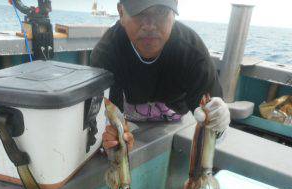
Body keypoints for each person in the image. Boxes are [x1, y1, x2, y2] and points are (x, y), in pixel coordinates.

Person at [90, 0, 230, 150]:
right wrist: (110, 139)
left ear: (174, 13)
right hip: (126, 116)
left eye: (161, 12)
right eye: (139, 12)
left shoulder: (193, 53)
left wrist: (218, 126)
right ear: (121, 13)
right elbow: (103, 122)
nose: (149, 25)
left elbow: (214, 127)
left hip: (176, 114)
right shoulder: (106, 54)